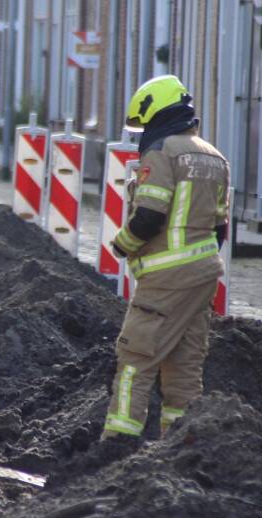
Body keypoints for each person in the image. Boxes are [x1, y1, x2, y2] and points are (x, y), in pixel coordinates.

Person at [102, 75, 230, 439]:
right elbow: (220, 229)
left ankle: (117, 442)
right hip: (204, 277)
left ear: (155, 114)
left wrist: (121, 245)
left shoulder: (162, 152)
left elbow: (149, 216)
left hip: (166, 279)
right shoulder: (215, 157)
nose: (143, 133)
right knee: (184, 369)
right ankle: (179, 449)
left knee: (135, 360)